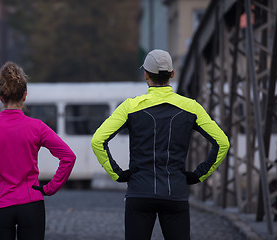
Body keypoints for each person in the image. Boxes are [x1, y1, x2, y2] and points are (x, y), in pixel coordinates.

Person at [91, 49, 230, 240]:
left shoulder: (130, 106)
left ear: (146, 74)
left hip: (139, 192)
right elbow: (222, 143)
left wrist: (117, 173)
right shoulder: (191, 107)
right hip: (175, 192)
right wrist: (199, 175)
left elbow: (97, 140)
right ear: (172, 74)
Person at [0, 62, 76, 240]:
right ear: (24, 96)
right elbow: (68, 157)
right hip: (32, 203)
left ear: (0, 97)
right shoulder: (37, 127)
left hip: (0, 203)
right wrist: (49, 188)